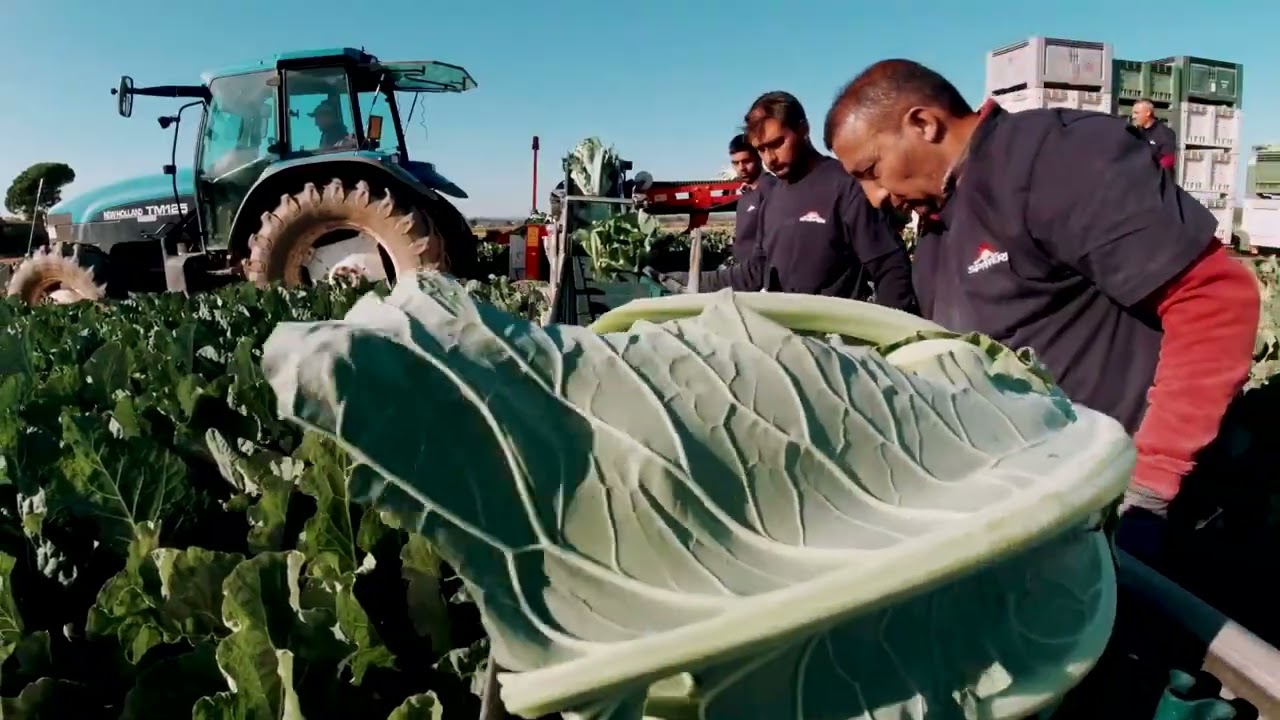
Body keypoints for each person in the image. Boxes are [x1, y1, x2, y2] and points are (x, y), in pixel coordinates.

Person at [822, 59, 1259, 564]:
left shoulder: (1049, 158)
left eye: (871, 171)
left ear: (923, 123)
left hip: (1144, 507)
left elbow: (1213, 300)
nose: (873, 195)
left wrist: (1151, 484)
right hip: (1050, 512)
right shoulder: (939, 226)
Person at [669, 92, 916, 312]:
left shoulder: (844, 185)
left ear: (803, 129)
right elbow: (755, 273)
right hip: (787, 342)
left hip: (836, 346)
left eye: (777, 144)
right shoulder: (773, 195)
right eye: (762, 149)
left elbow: (890, 267)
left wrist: (888, 344)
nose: (771, 159)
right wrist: (688, 279)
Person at [727, 133, 776, 264]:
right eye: (736, 163)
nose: (741, 168)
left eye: (746, 161)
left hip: (763, 273)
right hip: (743, 272)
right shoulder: (746, 194)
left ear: (759, 157)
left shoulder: (770, 189)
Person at [1131, 98, 1178, 170]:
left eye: (1136, 113)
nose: (1133, 116)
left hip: (1158, 179)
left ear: (1148, 113)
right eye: (1133, 113)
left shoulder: (1165, 133)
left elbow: (1168, 161)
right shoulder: (1137, 132)